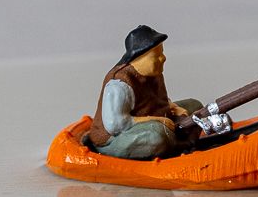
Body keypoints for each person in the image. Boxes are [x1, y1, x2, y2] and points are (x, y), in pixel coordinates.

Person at [83, 26, 206, 160]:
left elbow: (158, 99)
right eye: (156, 55)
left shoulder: (154, 73)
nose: (163, 58)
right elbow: (116, 125)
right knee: (157, 135)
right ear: (138, 57)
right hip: (116, 138)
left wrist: (174, 108)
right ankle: (171, 149)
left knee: (195, 106)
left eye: (162, 53)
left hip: (154, 121)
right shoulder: (119, 85)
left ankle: (186, 144)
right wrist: (158, 120)